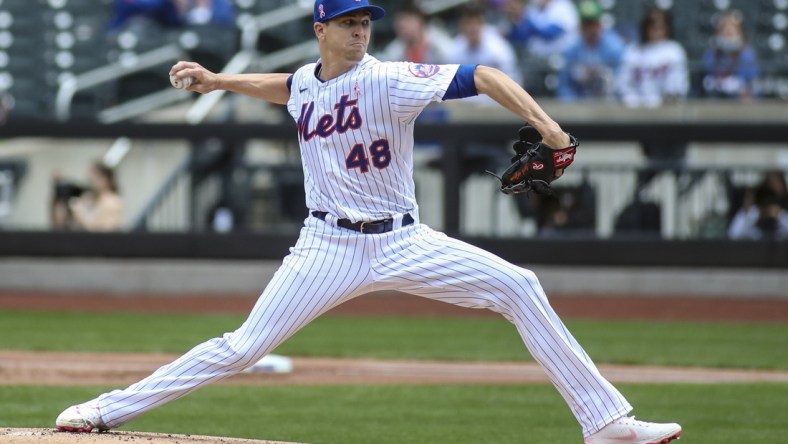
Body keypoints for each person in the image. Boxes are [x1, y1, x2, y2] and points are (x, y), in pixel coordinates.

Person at [55, 1, 682, 443]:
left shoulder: (391, 80)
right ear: (321, 29)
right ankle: (105, 412)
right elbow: (288, 87)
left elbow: (485, 75)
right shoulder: (307, 81)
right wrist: (219, 80)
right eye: (350, 23)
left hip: (404, 240)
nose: (361, 32)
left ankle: (606, 425)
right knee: (241, 347)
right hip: (325, 244)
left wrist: (548, 127)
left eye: (366, 23)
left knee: (519, 285)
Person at [617, 7, 688, 108]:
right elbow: (624, 84)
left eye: (661, 26)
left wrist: (661, 103)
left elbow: (678, 87)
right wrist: (634, 102)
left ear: (667, 28)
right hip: (637, 111)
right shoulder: (633, 51)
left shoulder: (674, 51)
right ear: (645, 27)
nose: (656, 29)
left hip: (667, 112)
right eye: (652, 25)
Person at [557, 0, 625, 101]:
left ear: (599, 23)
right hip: (579, 107)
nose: (589, 27)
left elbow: (621, 82)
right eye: (585, 23)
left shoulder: (614, 48)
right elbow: (564, 85)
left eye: (592, 23)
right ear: (580, 24)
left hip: (608, 105)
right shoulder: (571, 50)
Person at [452, 4, 522, 86]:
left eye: (476, 23)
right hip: (465, 98)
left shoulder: (498, 47)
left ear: (482, 23)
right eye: (468, 23)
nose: (472, 28)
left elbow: (513, 82)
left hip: (494, 96)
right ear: (461, 26)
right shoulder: (454, 49)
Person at [702, 10, 760, 100]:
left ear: (740, 31)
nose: (728, 31)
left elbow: (753, 81)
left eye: (733, 28)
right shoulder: (711, 54)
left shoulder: (748, 54)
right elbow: (708, 78)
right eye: (724, 28)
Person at [51, 162, 124, 232]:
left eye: (95, 179)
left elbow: (102, 230)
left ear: (105, 179)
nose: (93, 184)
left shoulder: (111, 201)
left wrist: (79, 211)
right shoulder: (95, 198)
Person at [378, 2, 453, 64]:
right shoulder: (393, 52)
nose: (402, 26)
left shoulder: (441, 45)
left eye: (407, 20)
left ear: (420, 21)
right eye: (399, 22)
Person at [503, 0, 579, 59]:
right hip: (537, 59)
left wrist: (524, 18)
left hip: (561, 58)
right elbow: (522, 36)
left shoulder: (562, 6)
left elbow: (549, 34)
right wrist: (516, 20)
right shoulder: (533, 9)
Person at [107, 0, 234, 34]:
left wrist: (203, 8)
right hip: (123, 32)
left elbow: (224, 20)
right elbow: (130, 5)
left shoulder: (219, 3)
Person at [729, 171, 788, 240]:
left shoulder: (782, 216)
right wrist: (752, 212)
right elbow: (734, 234)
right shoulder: (753, 214)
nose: (768, 203)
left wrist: (780, 215)